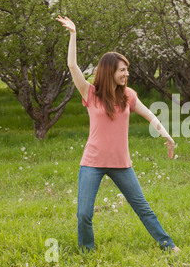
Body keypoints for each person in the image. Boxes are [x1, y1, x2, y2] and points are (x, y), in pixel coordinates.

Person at [56, 16, 179, 253]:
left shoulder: (128, 96)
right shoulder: (90, 93)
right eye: (122, 70)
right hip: (92, 163)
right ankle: (86, 252)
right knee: (84, 213)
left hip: (121, 164)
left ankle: (168, 246)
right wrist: (73, 34)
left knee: (143, 208)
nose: (126, 74)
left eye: (127, 70)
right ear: (110, 71)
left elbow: (149, 116)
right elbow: (72, 67)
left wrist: (167, 135)